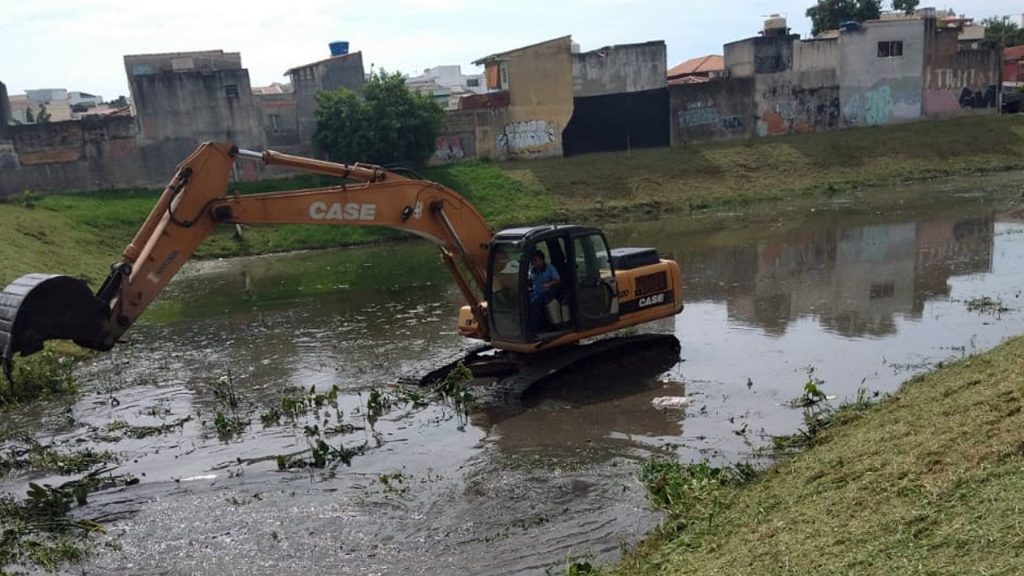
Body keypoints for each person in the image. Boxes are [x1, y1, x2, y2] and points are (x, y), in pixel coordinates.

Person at [528, 249, 560, 333]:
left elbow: (557, 280)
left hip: (547, 293)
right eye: (532, 261)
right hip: (536, 292)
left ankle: (534, 328)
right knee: (524, 299)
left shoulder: (549, 268)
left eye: (536, 260)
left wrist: (549, 284)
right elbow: (530, 280)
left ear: (542, 260)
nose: (534, 263)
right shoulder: (533, 270)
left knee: (535, 302)